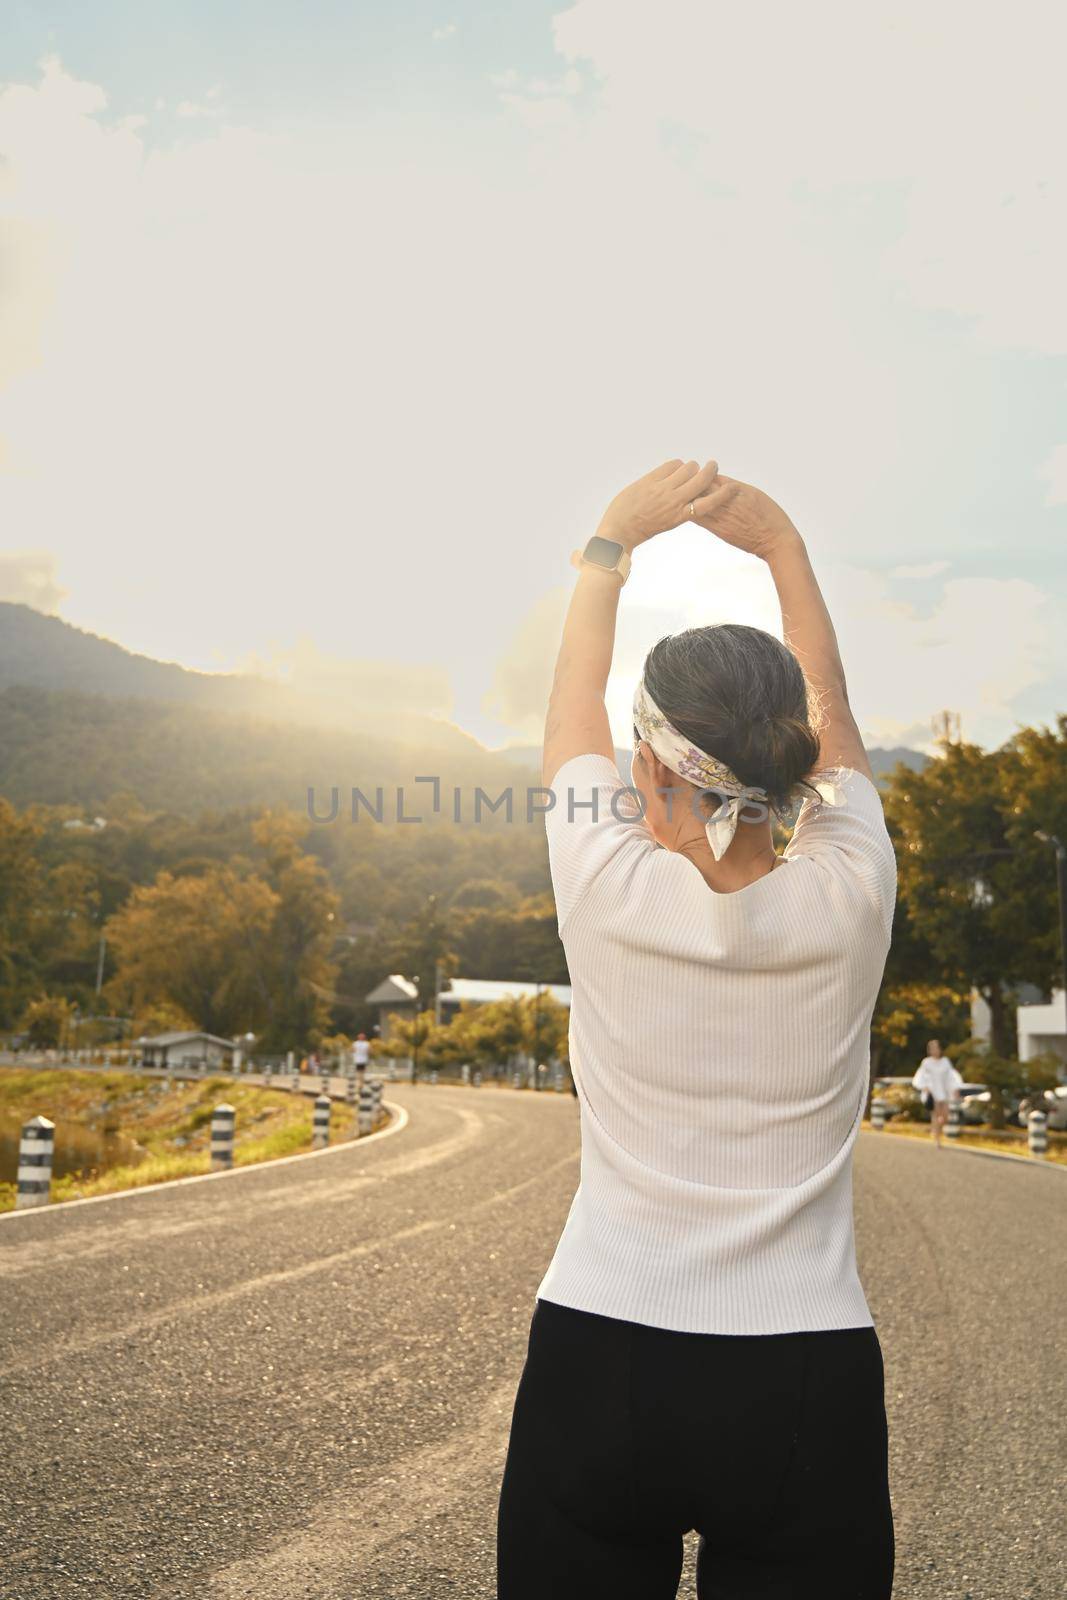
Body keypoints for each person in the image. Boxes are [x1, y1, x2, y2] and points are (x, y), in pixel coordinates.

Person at [496, 460, 897, 1600]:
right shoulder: (850, 889)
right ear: (795, 758)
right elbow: (839, 717)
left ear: (643, 766)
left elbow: (564, 705)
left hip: (599, 1348)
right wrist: (781, 548)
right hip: (804, 1375)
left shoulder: (604, 883)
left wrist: (609, 546)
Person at [911, 1039, 962, 1147]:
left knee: (945, 1117)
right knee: (936, 1115)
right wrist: (923, 1086)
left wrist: (955, 1089)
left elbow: (951, 1077)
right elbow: (920, 1076)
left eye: (936, 1048)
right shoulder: (926, 1062)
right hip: (932, 1092)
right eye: (932, 1048)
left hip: (944, 1092)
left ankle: (935, 1130)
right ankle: (937, 1139)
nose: (934, 1050)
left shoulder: (945, 1062)